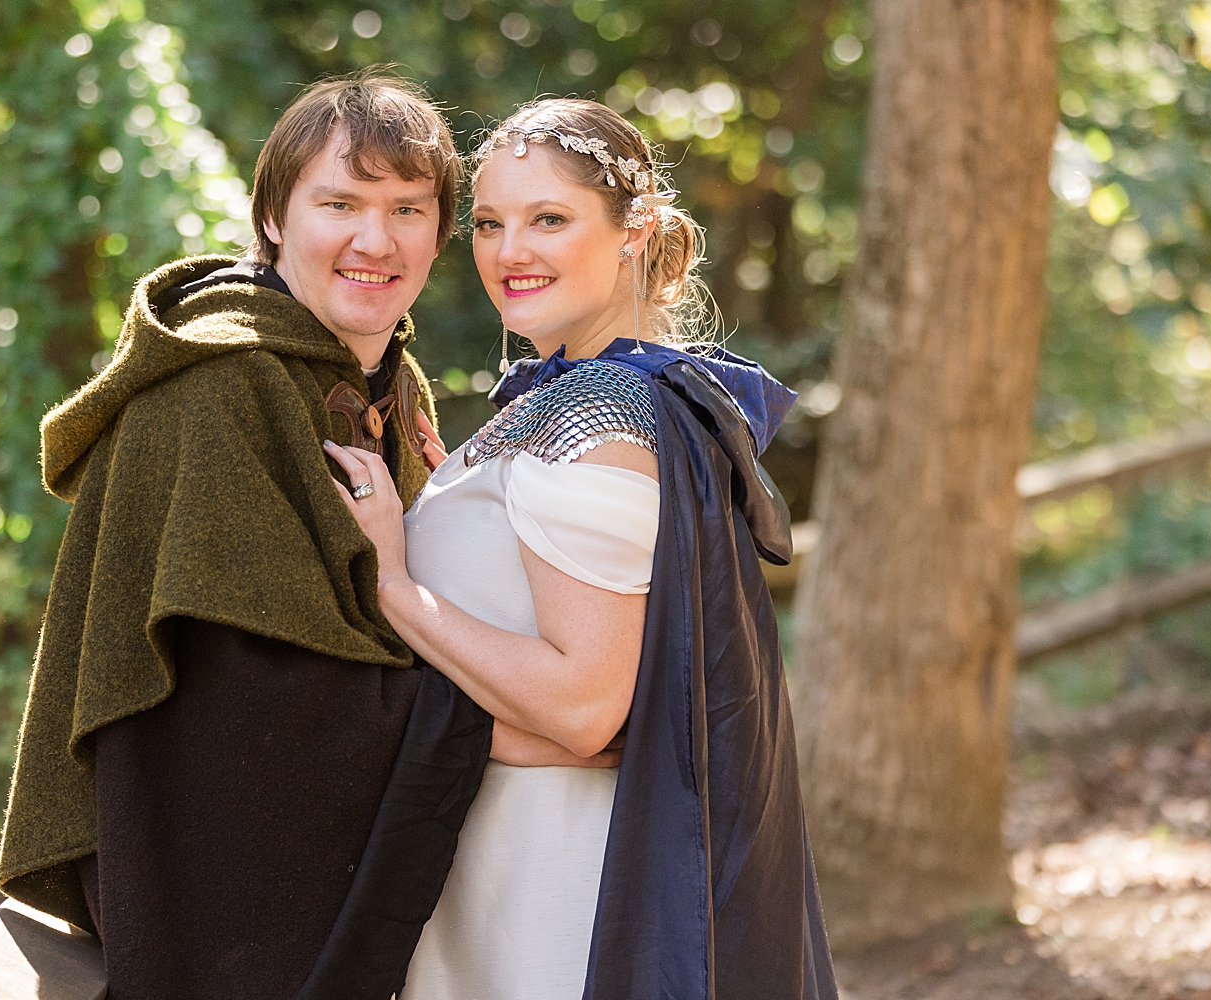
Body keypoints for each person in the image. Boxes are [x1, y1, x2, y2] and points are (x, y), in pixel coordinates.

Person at [0, 74, 496, 1000]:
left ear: (439, 232)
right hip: (213, 881)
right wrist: (505, 710)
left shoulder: (395, 384)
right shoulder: (213, 387)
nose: (374, 240)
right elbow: (249, 706)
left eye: (407, 209)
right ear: (273, 216)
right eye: (339, 203)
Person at [326, 98, 839, 1000]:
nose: (509, 251)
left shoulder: (599, 413)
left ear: (634, 233)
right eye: (489, 223)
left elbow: (584, 707)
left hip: (548, 883)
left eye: (549, 219)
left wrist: (396, 584)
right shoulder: (579, 402)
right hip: (496, 856)